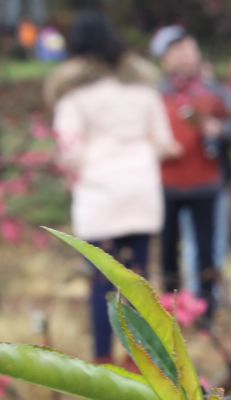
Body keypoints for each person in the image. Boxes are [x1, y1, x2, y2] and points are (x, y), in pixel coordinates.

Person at [44, 10, 176, 363]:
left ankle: (103, 355)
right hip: (141, 190)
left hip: (99, 195)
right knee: (139, 280)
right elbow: (164, 141)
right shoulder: (143, 90)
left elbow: (68, 152)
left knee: (102, 280)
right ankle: (142, 359)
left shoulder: (73, 97)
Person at [151, 26, 231, 323]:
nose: (187, 56)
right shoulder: (156, 94)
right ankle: (170, 311)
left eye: (190, 49)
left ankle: (206, 311)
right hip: (166, 183)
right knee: (167, 250)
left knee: (206, 250)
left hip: (206, 183)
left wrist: (220, 130)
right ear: (164, 59)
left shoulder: (214, 92)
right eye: (178, 51)